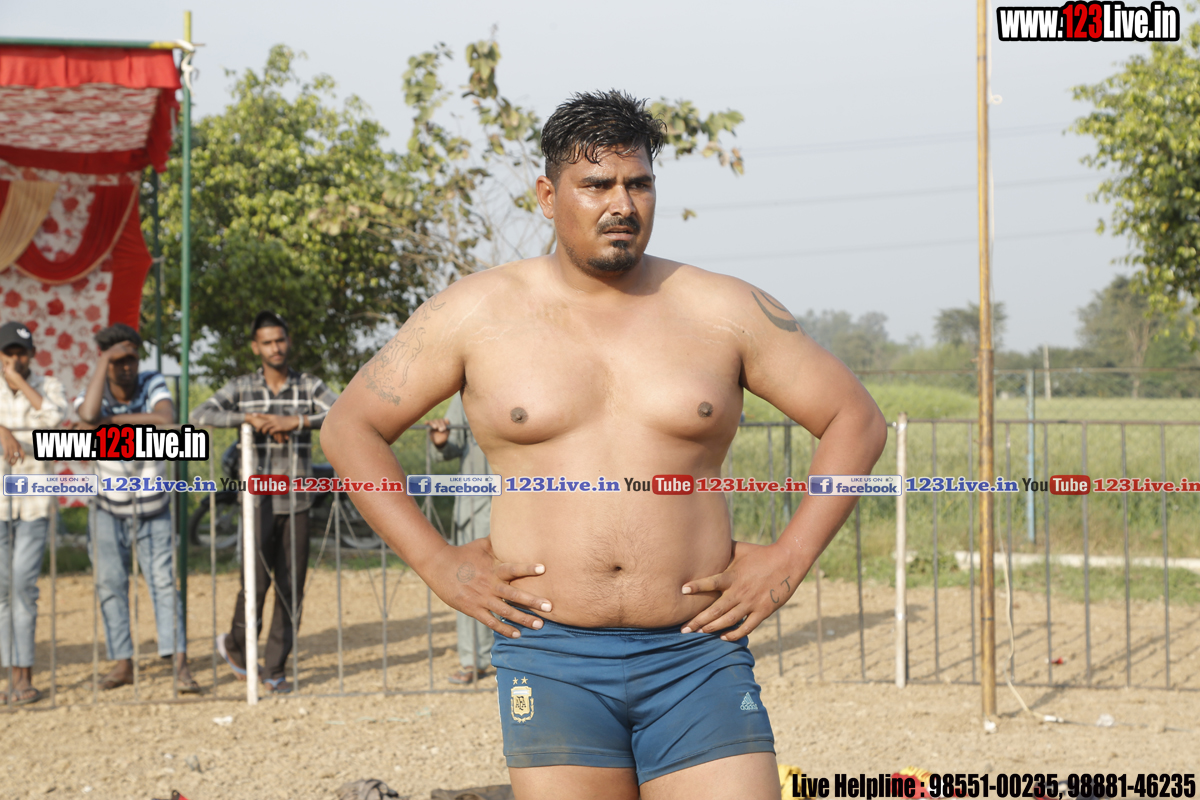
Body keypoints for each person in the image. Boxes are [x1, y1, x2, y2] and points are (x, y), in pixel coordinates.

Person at [322, 91, 886, 799]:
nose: (622, 204)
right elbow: (351, 427)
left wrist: (789, 559)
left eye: (638, 184)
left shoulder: (724, 309)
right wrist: (436, 562)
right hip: (550, 652)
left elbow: (855, 420)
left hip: (697, 649)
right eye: (596, 185)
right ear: (547, 195)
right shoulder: (474, 313)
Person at [190, 311, 338, 694]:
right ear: (256, 347)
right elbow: (199, 414)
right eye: (267, 342)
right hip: (256, 500)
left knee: (291, 587)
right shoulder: (242, 386)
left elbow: (342, 412)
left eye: (280, 340)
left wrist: (297, 422)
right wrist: (248, 419)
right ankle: (237, 647)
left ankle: (275, 668)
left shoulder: (307, 385)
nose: (275, 348)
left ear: (289, 342)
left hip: (298, 498)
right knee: (254, 583)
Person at [75, 323, 199, 693]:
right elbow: (87, 416)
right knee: (110, 584)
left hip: (153, 505)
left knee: (163, 583)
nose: (126, 366)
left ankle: (179, 664)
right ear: (105, 361)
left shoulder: (151, 381)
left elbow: (165, 419)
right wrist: (103, 365)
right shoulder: (95, 387)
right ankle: (123, 663)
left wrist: (108, 424)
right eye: (117, 360)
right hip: (106, 507)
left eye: (131, 357)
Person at [0, 321, 67, 706]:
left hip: (34, 501)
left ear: (31, 356)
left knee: (22, 586)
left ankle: (23, 675)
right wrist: (3, 430)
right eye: (9, 353)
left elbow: (54, 420)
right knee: (2, 590)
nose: (16, 359)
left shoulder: (48, 385)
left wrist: (18, 382)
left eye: (21, 353)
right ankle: (10, 674)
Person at [428, 395, 494, 684]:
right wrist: (441, 442)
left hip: (530, 499)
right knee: (472, 578)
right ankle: (474, 659)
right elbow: (450, 446)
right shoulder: (467, 392)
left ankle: (529, 660)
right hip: (476, 505)